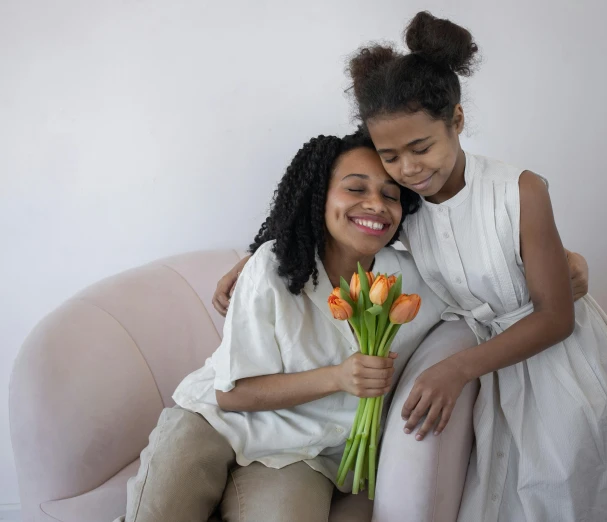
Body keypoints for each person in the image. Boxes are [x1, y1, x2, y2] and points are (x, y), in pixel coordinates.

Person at [347, 11, 607, 522]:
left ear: (456, 120)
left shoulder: (519, 190)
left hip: (559, 364)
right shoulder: (405, 206)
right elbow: (331, 213)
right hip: (494, 366)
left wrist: (454, 368)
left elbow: (556, 318)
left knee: (561, 492)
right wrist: (257, 255)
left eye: (421, 147)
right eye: (389, 156)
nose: (407, 169)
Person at [116, 130, 479, 522]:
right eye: (355, 189)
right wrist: (339, 377)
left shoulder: (415, 280)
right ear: (319, 196)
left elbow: (495, 283)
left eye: (391, 195)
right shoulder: (273, 266)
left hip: (304, 453)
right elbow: (231, 395)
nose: (375, 204)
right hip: (212, 422)